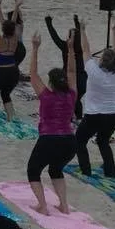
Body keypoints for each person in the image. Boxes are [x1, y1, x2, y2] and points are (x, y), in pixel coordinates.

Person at [27, 31, 78, 215]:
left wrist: (35, 48)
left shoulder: (46, 96)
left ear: (51, 83)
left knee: (33, 171)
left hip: (50, 139)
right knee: (56, 169)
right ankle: (63, 205)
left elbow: (32, 73)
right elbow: (72, 71)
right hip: (70, 141)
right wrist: (70, 49)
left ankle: (43, 206)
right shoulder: (72, 94)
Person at [75, 16, 115, 177]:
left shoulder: (94, 71)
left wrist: (82, 30)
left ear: (102, 61)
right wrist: (114, 30)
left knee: (79, 141)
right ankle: (111, 172)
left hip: (95, 116)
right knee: (103, 142)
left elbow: (86, 49)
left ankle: (86, 171)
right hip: (113, 115)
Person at [45, 13, 87, 119]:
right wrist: (76, 21)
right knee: (77, 99)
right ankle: (79, 119)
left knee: (70, 100)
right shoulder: (81, 47)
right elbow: (80, 35)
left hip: (69, 78)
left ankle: (71, 119)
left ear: (69, 37)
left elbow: (54, 36)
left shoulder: (65, 46)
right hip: (82, 79)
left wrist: (48, 23)